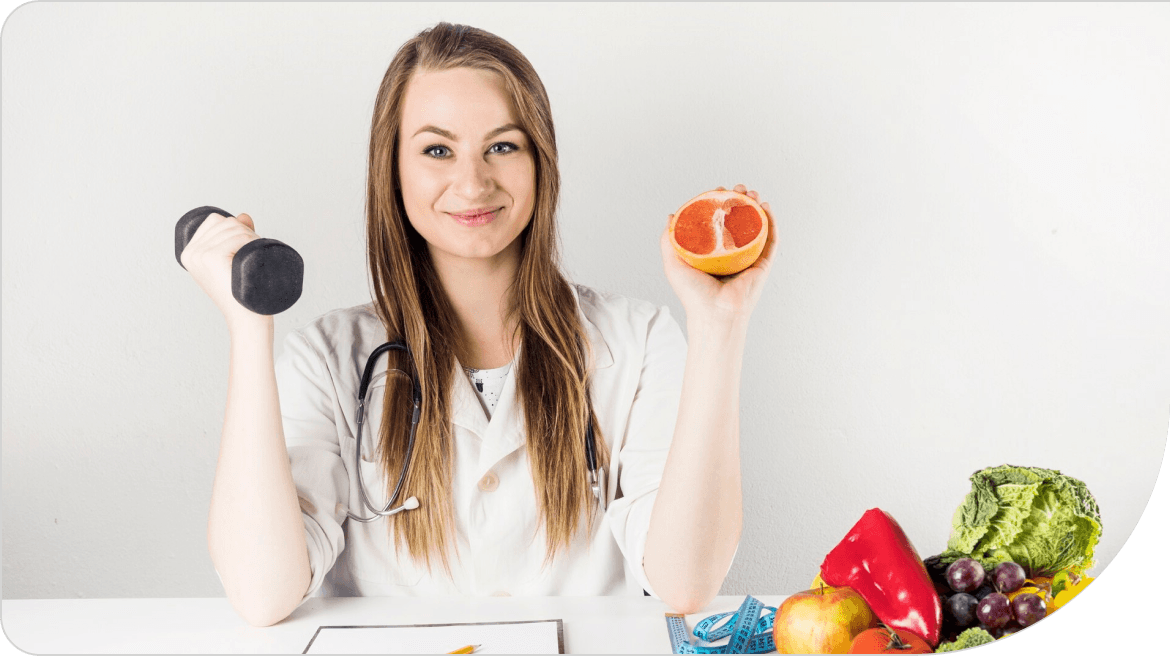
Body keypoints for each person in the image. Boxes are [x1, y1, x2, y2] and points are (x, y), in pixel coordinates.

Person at [180, 22, 776, 627]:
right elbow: (263, 593)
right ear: (394, 170)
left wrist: (718, 325)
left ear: (541, 161)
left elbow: (686, 581)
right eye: (437, 150)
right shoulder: (328, 359)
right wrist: (249, 328)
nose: (473, 182)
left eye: (503, 146)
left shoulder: (640, 342)